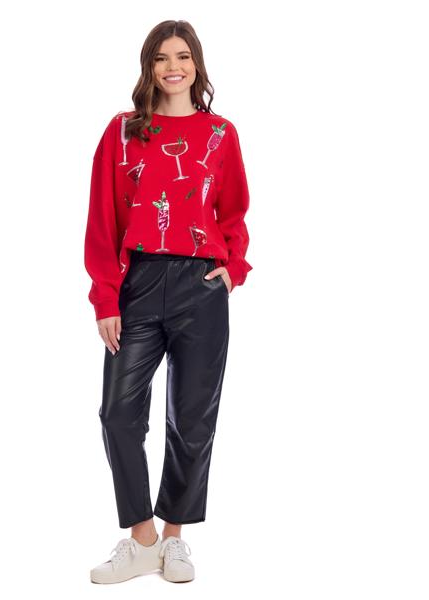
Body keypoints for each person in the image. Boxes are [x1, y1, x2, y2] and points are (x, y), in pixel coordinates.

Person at [84, 19, 253, 584]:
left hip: (200, 287)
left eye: (182, 56)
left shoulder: (220, 134)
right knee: (118, 414)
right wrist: (106, 297)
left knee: (193, 419)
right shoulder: (123, 132)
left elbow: (233, 212)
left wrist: (232, 270)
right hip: (137, 282)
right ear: (149, 67)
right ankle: (142, 539)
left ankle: (175, 537)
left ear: (196, 64)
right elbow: (102, 220)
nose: (172, 67)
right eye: (161, 58)